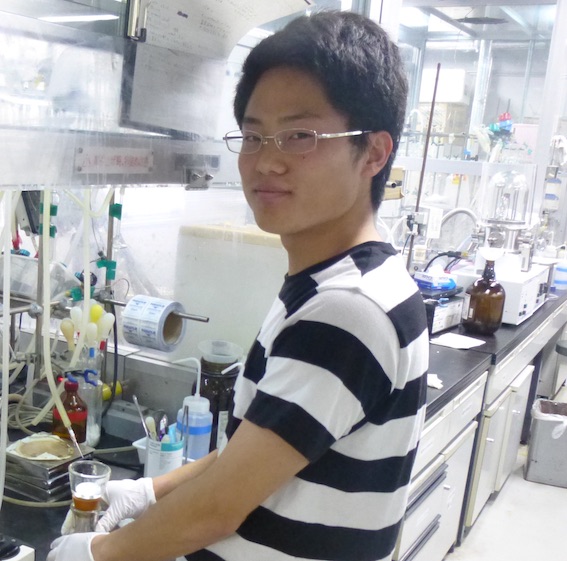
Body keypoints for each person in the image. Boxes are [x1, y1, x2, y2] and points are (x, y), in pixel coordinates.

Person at [48, 10, 428, 561]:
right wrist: (149, 490)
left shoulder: (346, 312)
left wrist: (97, 552)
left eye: (300, 136)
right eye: (253, 136)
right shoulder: (349, 280)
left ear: (373, 151)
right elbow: (248, 454)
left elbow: (216, 510)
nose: (266, 162)